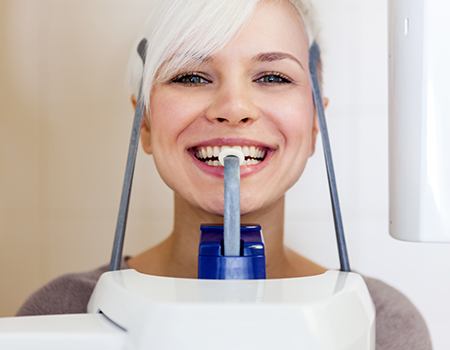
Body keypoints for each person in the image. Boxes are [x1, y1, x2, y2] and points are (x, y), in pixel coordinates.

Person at [17, 0, 432, 349]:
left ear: (313, 124)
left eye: (272, 77)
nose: (234, 107)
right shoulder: (60, 312)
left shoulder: (385, 324)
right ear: (143, 123)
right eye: (191, 76)